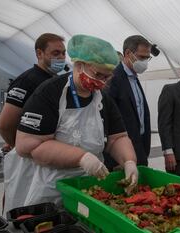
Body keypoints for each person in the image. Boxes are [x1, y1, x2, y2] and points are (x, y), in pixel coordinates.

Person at [14, 34, 138, 206]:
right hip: (53, 188)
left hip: (91, 186)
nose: (103, 82)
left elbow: (118, 138)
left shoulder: (102, 98)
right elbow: (29, 145)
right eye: (98, 74)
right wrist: (82, 158)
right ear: (79, 65)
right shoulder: (50, 92)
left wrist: (129, 161)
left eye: (107, 77)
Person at [0, 33, 66, 213]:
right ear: (39, 53)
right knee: (20, 201)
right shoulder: (27, 80)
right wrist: (20, 146)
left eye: (63, 53)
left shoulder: (56, 81)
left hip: (45, 157)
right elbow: (5, 124)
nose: (61, 58)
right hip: (26, 158)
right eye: (55, 53)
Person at [105, 35, 151, 168]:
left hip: (140, 147)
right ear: (127, 53)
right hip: (121, 154)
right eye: (142, 57)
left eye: (147, 58)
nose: (145, 62)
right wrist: (117, 156)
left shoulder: (134, 79)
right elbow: (109, 120)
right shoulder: (113, 79)